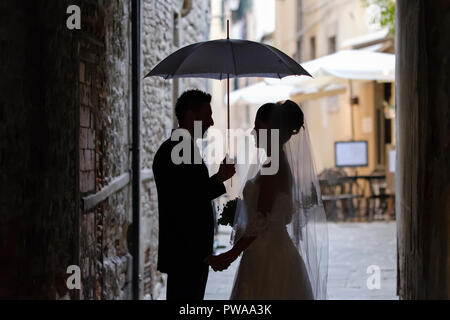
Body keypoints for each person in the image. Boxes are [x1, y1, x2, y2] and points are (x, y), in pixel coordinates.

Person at [207, 100, 328, 300]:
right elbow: (285, 215)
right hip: (273, 248)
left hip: (267, 255)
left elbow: (260, 220)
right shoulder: (275, 163)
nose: (253, 133)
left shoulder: (274, 167)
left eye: (258, 127)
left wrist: (230, 254)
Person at [152, 89, 235, 300]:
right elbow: (188, 200)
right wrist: (219, 179)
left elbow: (189, 192)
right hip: (187, 251)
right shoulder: (181, 150)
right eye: (207, 115)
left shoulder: (180, 148)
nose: (211, 122)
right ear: (191, 115)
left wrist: (218, 178)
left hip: (187, 250)